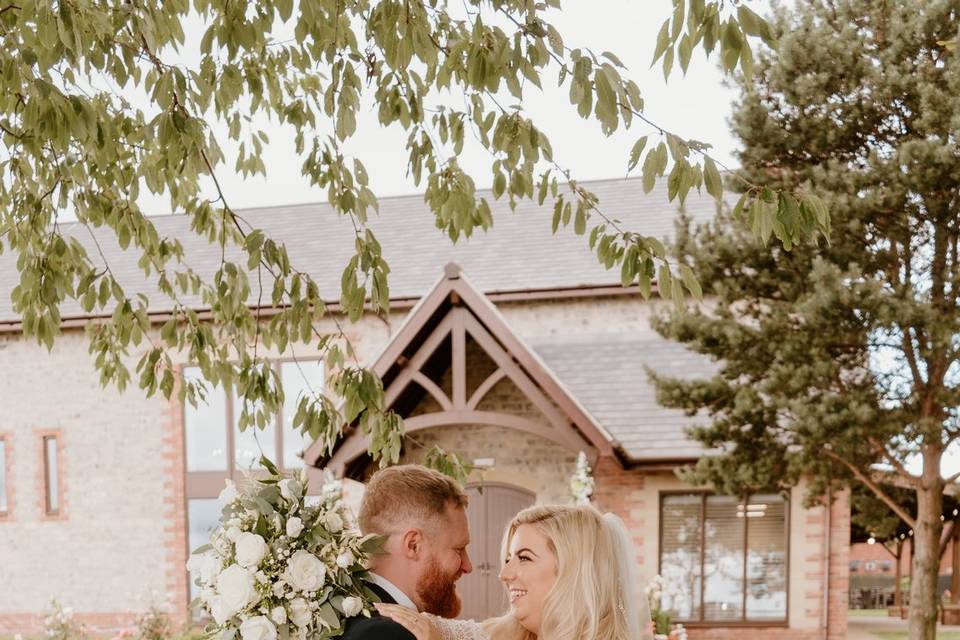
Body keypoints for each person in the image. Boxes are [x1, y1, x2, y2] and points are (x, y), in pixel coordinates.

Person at [374, 503, 653, 640]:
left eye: (524, 558)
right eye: (508, 558)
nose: (504, 574)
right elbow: (430, 627)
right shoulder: (495, 635)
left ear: (572, 570)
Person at [338, 464, 474, 640]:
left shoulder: (348, 610)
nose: (468, 566)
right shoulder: (383, 634)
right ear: (413, 545)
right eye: (458, 549)